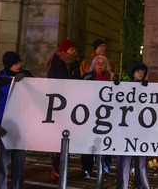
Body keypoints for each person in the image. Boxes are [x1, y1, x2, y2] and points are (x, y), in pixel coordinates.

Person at [0, 51, 33, 189]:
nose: (19, 66)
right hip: (5, 127)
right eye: (15, 64)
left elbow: (36, 87)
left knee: (19, 160)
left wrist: (25, 79)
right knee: (3, 160)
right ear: (8, 66)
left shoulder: (26, 76)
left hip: (21, 126)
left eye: (19, 63)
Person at [113, 61, 154, 189]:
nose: (141, 73)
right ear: (132, 73)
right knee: (124, 163)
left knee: (141, 163)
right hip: (127, 130)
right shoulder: (125, 87)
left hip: (142, 130)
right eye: (138, 71)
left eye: (142, 71)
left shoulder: (148, 87)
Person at [47, 39, 80, 180]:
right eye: (71, 48)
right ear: (65, 49)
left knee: (68, 136)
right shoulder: (56, 61)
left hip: (71, 101)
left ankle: (62, 166)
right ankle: (55, 168)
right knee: (56, 136)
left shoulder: (74, 63)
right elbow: (52, 80)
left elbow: (78, 79)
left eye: (74, 48)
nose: (74, 51)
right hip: (58, 102)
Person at [81, 54, 115, 178]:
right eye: (98, 63)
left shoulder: (112, 78)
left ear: (106, 66)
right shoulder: (87, 77)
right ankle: (86, 168)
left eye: (102, 63)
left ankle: (105, 168)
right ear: (93, 65)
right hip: (90, 113)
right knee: (88, 141)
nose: (100, 65)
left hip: (107, 113)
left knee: (106, 140)